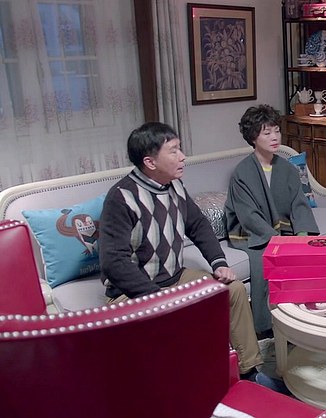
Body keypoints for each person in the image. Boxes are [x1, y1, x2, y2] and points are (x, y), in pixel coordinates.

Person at [98, 122, 263, 380]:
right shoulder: (121, 198)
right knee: (176, 319)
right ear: (150, 162)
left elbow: (197, 225)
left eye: (180, 148)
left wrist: (219, 262)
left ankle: (249, 371)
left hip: (174, 278)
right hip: (132, 292)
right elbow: (113, 262)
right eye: (174, 151)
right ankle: (192, 382)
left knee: (233, 290)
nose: (183, 156)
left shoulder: (174, 186)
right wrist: (157, 297)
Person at [225, 105, 319, 339]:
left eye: (276, 130)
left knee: (306, 255)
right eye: (266, 133)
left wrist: (302, 235)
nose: (275, 137)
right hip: (250, 233)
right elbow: (248, 215)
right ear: (253, 138)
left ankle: (302, 319)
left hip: (280, 229)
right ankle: (265, 328)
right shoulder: (242, 173)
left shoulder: (286, 168)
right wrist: (276, 240)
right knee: (264, 261)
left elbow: (299, 203)